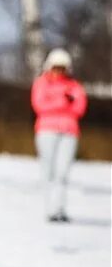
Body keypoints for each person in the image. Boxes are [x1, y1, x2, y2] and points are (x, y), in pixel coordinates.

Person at [31, 48, 87, 222]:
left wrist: (55, 102)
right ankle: (49, 209)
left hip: (69, 132)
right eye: (56, 67)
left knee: (62, 172)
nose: (58, 71)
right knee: (48, 170)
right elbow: (40, 105)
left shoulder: (74, 86)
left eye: (62, 68)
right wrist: (63, 101)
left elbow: (79, 107)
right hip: (46, 131)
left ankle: (59, 209)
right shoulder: (41, 83)